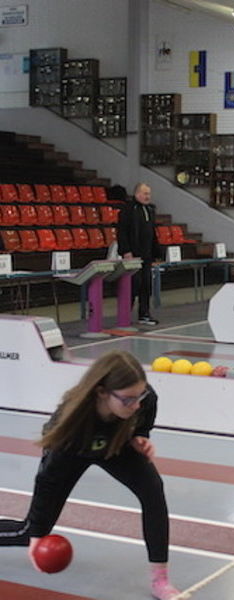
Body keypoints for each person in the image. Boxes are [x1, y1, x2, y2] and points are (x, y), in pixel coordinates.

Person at [0, 350, 181, 600]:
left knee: (153, 492)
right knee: (28, 532)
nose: (136, 404)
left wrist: (141, 434)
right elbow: (48, 480)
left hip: (115, 444)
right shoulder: (70, 426)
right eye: (128, 400)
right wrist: (38, 535)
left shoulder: (142, 398)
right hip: (74, 450)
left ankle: (160, 580)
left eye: (139, 396)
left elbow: (148, 406)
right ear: (102, 392)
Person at [117, 183, 162, 326]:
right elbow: (122, 232)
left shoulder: (150, 210)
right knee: (132, 285)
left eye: (149, 194)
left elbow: (152, 233)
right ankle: (124, 315)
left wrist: (156, 253)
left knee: (146, 285)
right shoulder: (128, 210)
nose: (148, 196)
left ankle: (144, 314)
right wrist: (126, 251)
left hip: (147, 255)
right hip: (133, 255)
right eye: (145, 193)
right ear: (137, 194)